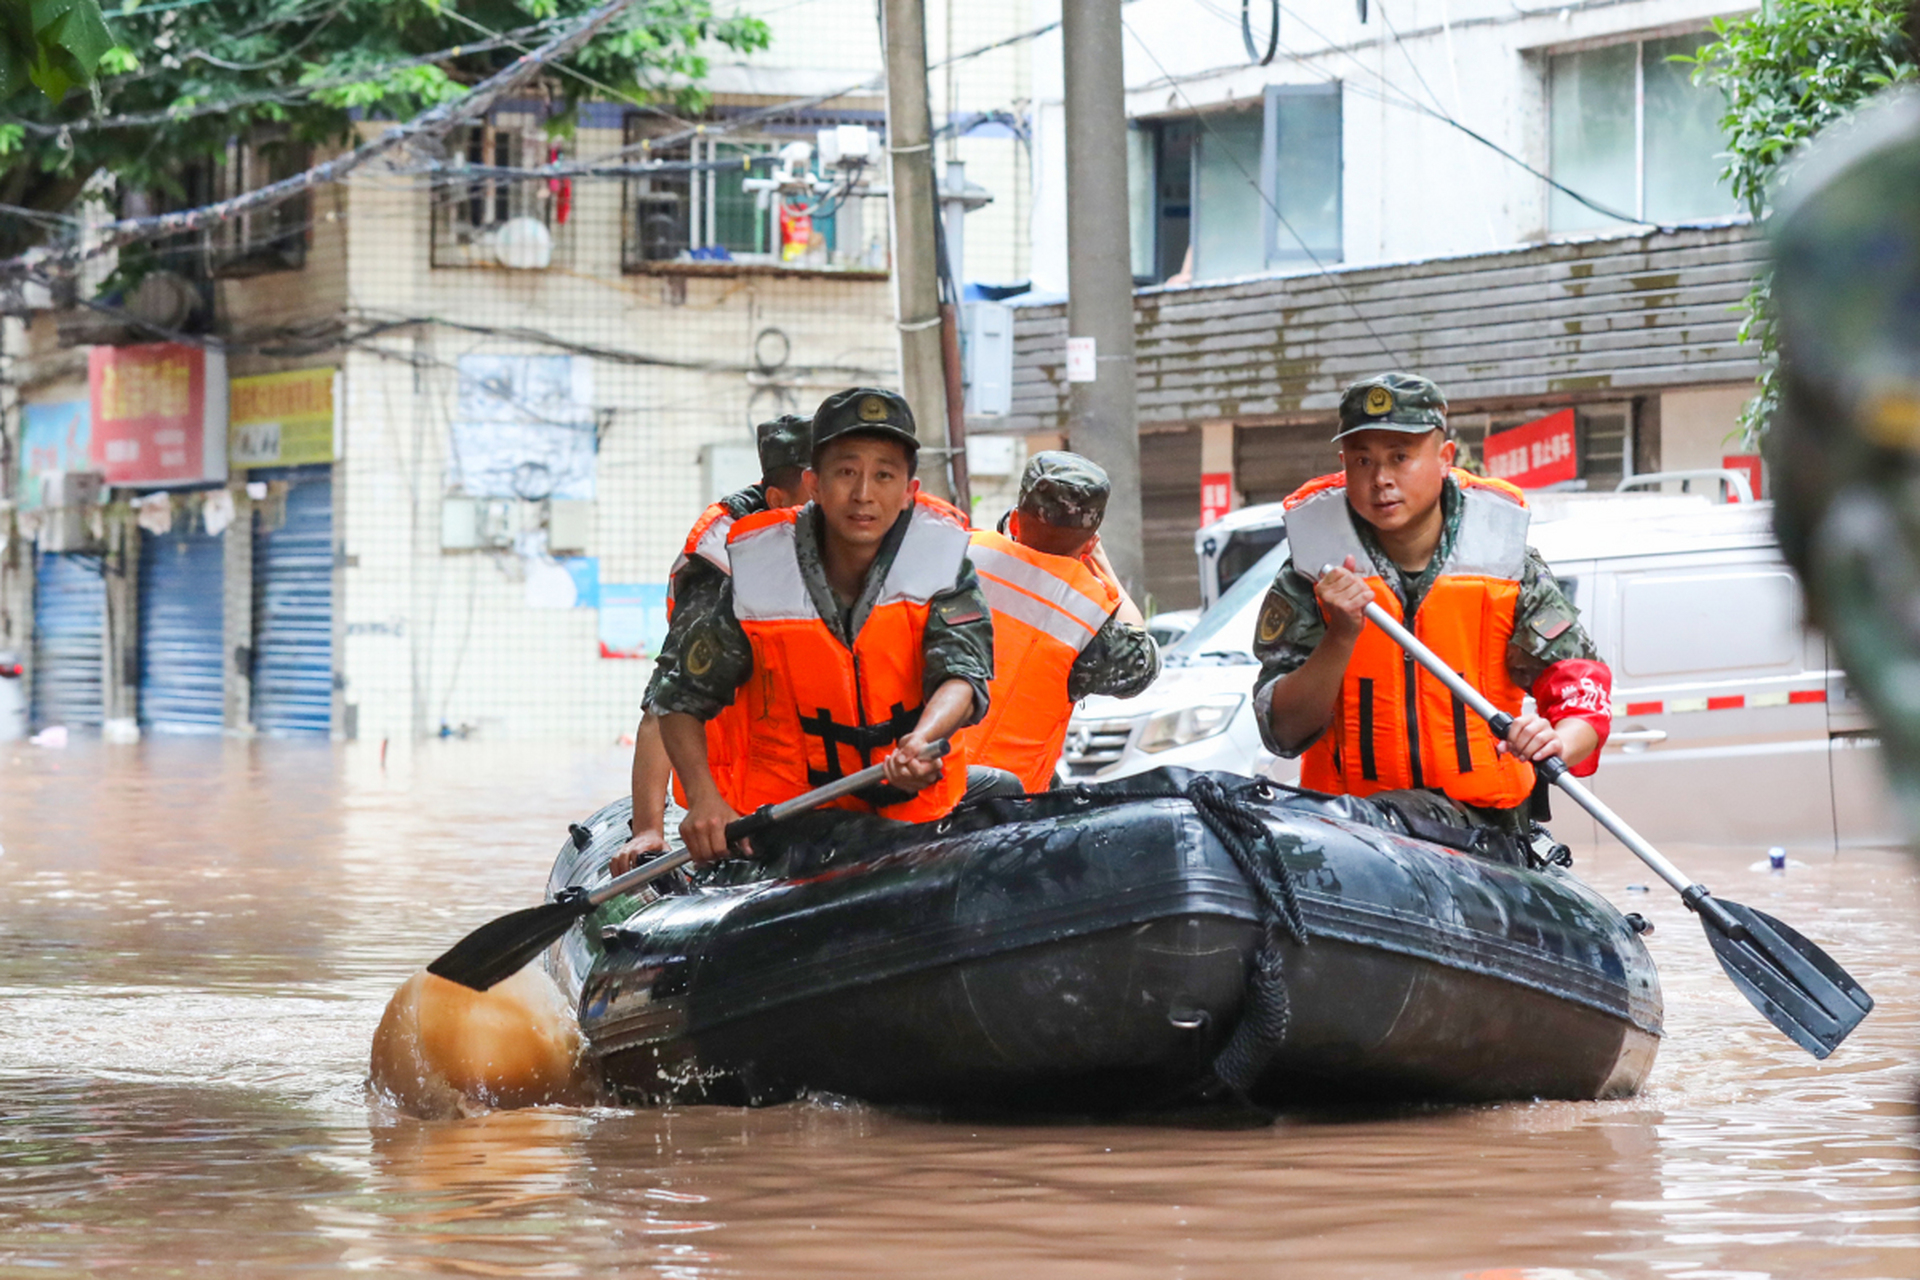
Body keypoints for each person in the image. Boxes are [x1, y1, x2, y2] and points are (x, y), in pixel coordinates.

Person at [1252, 372, 1614, 833]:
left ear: (1444, 458)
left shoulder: (1504, 561)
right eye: (1363, 461)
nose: (1381, 479)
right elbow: (1282, 733)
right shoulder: (1311, 570)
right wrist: (1341, 636)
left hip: (1485, 834)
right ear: (1344, 465)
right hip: (1357, 838)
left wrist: (1556, 742)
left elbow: (1582, 689)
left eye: (1400, 457)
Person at [648, 387, 995, 862]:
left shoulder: (942, 564)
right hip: (793, 820)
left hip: (915, 807)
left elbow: (963, 674)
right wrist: (704, 798)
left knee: (1007, 791)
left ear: (910, 492)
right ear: (813, 484)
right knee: (857, 846)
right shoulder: (760, 572)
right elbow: (677, 697)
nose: (864, 494)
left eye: (884, 475)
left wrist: (922, 738)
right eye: (846, 472)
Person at [611, 416, 813, 875]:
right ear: (780, 499)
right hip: (733, 801)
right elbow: (664, 702)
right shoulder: (720, 566)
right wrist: (649, 831)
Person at [957, 451, 1160, 792]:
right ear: (1089, 543)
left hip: (916, 783)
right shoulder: (1087, 614)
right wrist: (1098, 561)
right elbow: (1143, 661)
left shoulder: (960, 553)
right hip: (1005, 813)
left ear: (1016, 521)